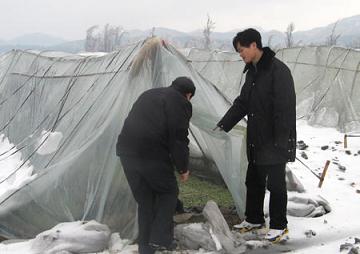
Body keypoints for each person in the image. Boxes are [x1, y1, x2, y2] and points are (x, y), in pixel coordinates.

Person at [216, 28, 296, 243]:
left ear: (254, 45)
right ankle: (254, 219)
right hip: (256, 139)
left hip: (275, 140)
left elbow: (285, 109)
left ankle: (279, 226)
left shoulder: (278, 71)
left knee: (276, 185)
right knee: (254, 181)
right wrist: (225, 123)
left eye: (241, 50)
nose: (240, 54)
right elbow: (243, 102)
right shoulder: (252, 71)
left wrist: (280, 141)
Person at [116, 77, 195, 254]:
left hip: (126, 152)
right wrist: (183, 168)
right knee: (169, 192)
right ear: (188, 95)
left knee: (146, 201)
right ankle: (160, 239)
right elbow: (178, 138)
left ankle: (145, 246)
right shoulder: (181, 102)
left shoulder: (149, 94)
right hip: (151, 154)